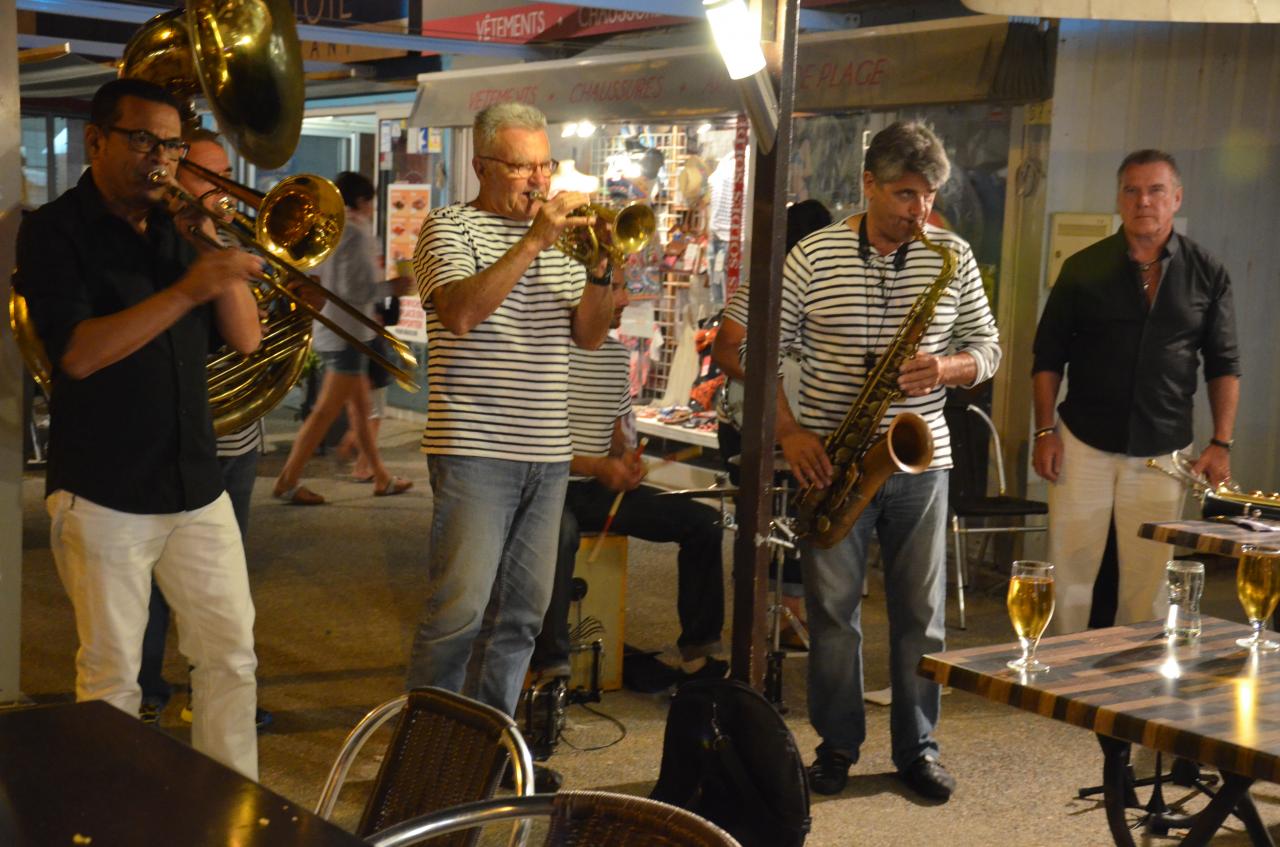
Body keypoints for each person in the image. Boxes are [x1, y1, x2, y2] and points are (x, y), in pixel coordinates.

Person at [727, 122, 1001, 800]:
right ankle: (837, 744)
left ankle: (919, 747)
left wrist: (948, 364)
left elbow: (988, 348)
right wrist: (788, 431)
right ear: (868, 185)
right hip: (831, 459)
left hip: (919, 459)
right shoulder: (813, 255)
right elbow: (738, 343)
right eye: (905, 194)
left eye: (930, 194)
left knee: (922, 614)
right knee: (832, 613)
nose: (920, 211)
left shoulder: (951, 255)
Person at [13, 78, 262, 778]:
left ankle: (236, 806)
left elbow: (244, 339)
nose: (162, 158)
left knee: (231, 655)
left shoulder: (180, 229)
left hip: (196, 483)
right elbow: (79, 353)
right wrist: (186, 288)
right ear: (96, 140)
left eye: (174, 144)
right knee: (113, 678)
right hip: (104, 488)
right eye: (145, 140)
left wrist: (213, 245)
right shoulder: (54, 229)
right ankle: (111, 816)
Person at [406, 102, 614, 721]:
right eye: (522, 167)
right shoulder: (448, 229)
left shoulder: (565, 242)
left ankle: (487, 746)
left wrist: (602, 269)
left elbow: (589, 336)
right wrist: (533, 241)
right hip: (473, 448)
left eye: (544, 165)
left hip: (548, 453)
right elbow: (461, 314)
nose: (539, 181)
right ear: (481, 166)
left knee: (522, 616)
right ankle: (425, 748)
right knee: (458, 613)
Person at [1032, 149, 1239, 635]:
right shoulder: (1083, 268)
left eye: (1156, 190)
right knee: (1071, 569)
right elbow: (1046, 357)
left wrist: (1221, 442)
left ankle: (1134, 682)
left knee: (1148, 580)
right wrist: (1045, 430)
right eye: (1132, 190)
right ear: (1120, 198)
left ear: (1177, 198)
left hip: (1164, 448)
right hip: (1082, 440)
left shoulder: (1208, 272)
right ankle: (1064, 676)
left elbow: (1225, 363)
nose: (1143, 200)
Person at [136, 128, 276, 731]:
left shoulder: (229, 238)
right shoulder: (150, 238)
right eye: (208, 177)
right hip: (165, 439)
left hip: (235, 440)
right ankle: (144, 692)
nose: (224, 190)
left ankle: (211, 693)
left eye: (227, 175)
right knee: (150, 586)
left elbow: (248, 337)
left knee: (221, 583)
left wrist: (216, 242)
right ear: (171, 171)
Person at [530, 270, 727, 688]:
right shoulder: (545, 352)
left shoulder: (616, 357)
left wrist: (625, 459)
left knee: (703, 522)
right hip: (549, 488)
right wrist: (597, 466)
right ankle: (552, 664)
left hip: (598, 488)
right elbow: (532, 447)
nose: (624, 299)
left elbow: (617, 433)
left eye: (623, 288)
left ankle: (699, 648)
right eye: (614, 289)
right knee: (560, 533)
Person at [712, 199, 832, 644]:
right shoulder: (760, 290)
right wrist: (773, 379)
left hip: (812, 427)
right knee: (762, 523)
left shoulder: (829, 293)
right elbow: (724, 351)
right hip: (755, 425)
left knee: (807, 517)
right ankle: (765, 615)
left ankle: (793, 614)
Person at [272, 171, 414, 504]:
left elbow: (314, 278)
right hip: (349, 333)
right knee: (325, 412)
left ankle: (381, 476)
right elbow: (358, 289)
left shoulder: (328, 229)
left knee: (362, 409)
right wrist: (393, 288)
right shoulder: (358, 233)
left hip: (334, 330)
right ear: (365, 201)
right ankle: (288, 480)